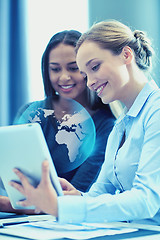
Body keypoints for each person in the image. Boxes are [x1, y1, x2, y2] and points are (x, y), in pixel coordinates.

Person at [10, 19, 160, 225]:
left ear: (126, 55)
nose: (90, 83)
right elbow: (101, 190)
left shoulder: (156, 112)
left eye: (95, 67)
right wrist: (76, 197)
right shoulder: (122, 124)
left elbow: (146, 201)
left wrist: (60, 207)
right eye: (85, 74)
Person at [0, 30, 116, 212]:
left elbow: (78, 195)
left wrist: (6, 204)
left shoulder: (106, 126)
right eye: (55, 69)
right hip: (20, 217)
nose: (63, 77)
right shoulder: (32, 113)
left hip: (65, 219)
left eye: (73, 68)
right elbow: (8, 178)